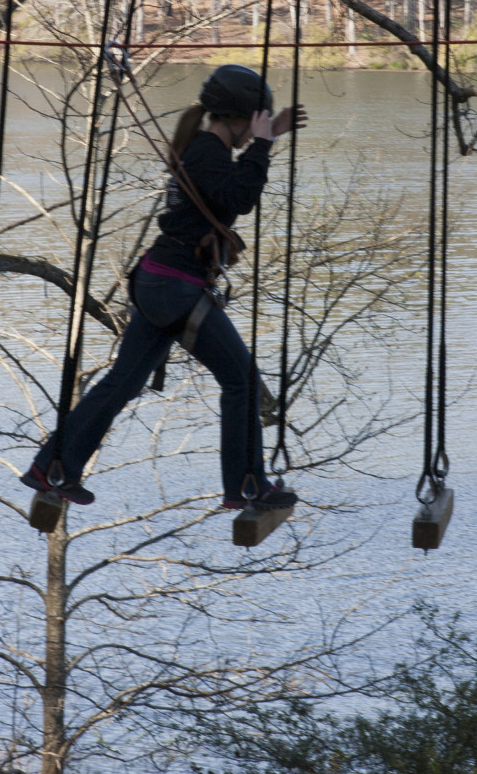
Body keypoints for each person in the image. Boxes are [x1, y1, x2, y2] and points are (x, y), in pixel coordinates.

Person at [24, 64, 305, 511]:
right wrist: (265, 144)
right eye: (254, 122)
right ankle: (247, 485)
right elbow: (240, 198)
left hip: (162, 283)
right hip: (174, 288)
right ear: (238, 117)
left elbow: (228, 189)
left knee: (123, 382)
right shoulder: (207, 151)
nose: (256, 131)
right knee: (242, 381)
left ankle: (53, 467)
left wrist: (268, 138)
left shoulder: (205, 150)